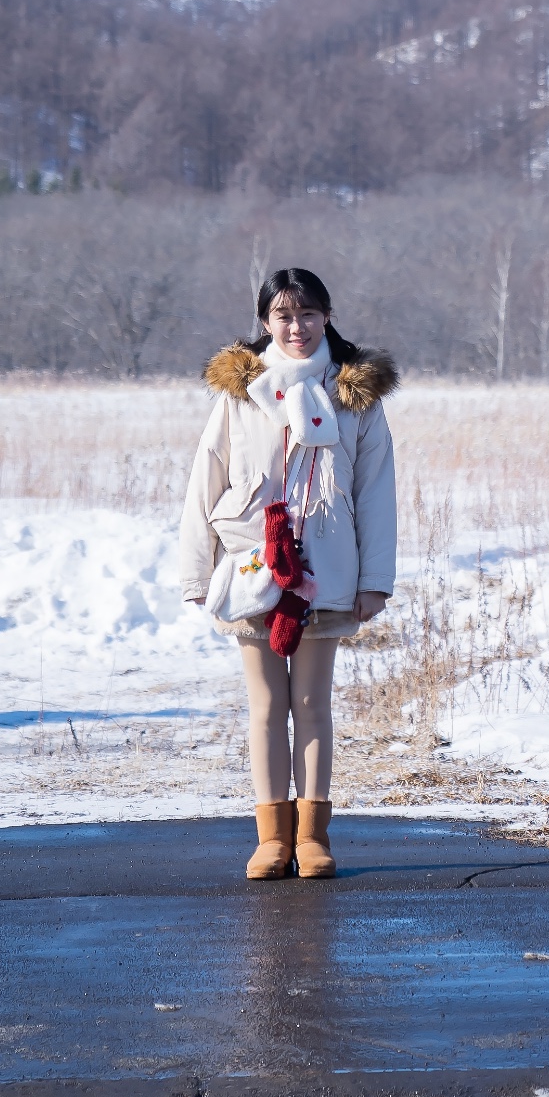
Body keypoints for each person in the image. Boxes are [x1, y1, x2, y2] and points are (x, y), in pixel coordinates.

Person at [179, 268, 397, 881]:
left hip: (326, 566)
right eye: (282, 315)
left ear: (326, 316)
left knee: (312, 703)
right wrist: (198, 571)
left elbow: (377, 491)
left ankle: (313, 838)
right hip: (252, 565)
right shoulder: (239, 391)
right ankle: (271, 839)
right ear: (265, 321)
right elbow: (207, 479)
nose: (294, 327)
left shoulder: (355, 394)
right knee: (268, 704)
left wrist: (374, 580)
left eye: (306, 314)